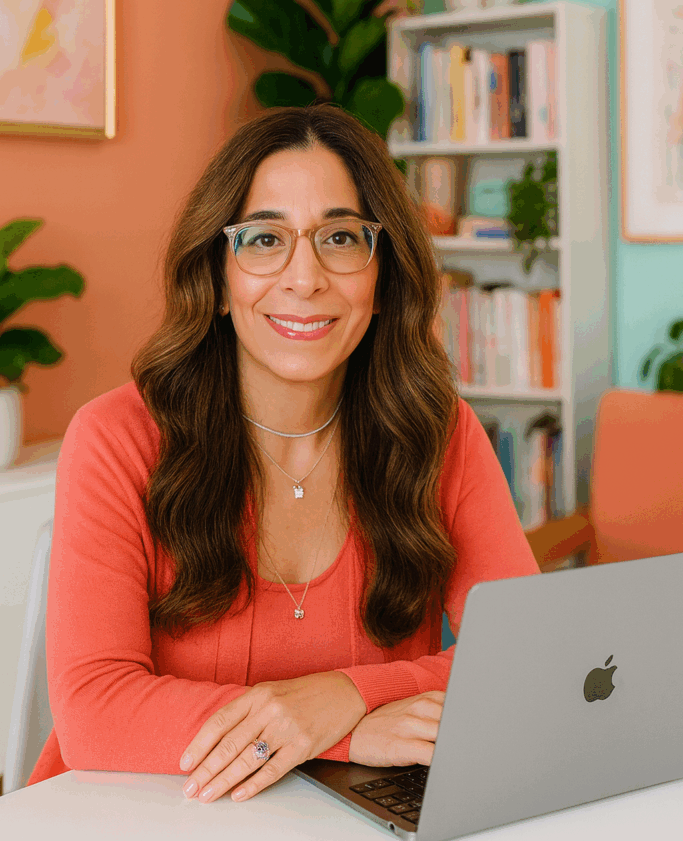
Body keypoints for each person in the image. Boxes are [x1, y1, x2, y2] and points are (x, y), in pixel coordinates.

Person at [27, 104, 539, 804]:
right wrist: (338, 729)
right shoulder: (116, 439)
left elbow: (528, 652)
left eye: (340, 237)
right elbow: (95, 711)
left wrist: (347, 692)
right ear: (217, 277)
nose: (304, 278)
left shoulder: (438, 431)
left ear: (384, 275)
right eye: (264, 240)